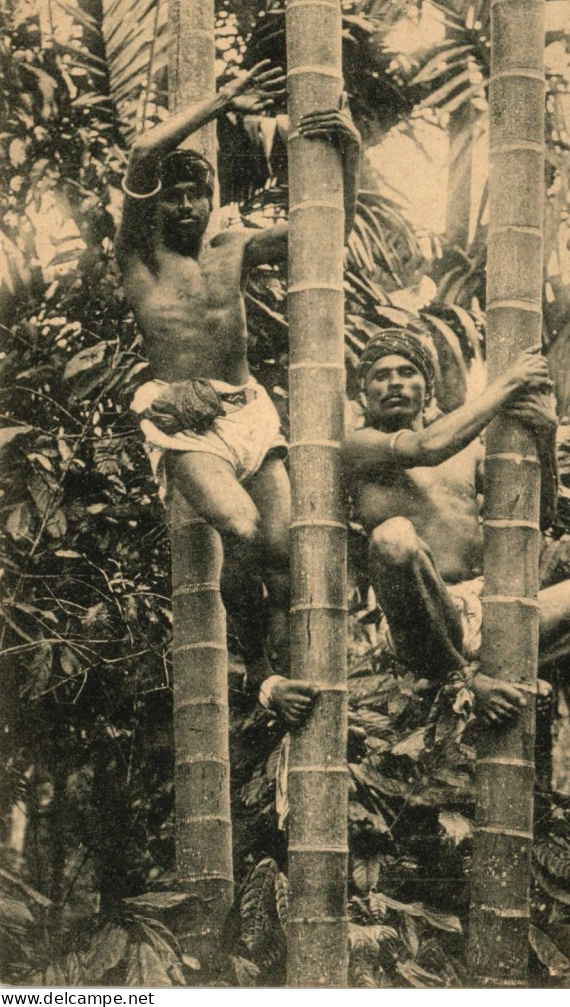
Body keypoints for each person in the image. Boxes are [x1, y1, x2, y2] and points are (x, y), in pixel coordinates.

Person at [115, 61, 360, 727]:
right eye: (173, 196)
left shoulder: (236, 247)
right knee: (241, 527)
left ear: (211, 196)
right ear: (156, 205)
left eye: (197, 193)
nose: (186, 206)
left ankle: (276, 678)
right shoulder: (137, 259)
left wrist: (350, 146)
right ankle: (259, 676)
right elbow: (142, 152)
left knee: (282, 552)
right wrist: (222, 100)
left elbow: (325, 236)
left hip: (247, 408)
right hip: (184, 423)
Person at [342, 328, 570, 725]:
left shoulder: (469, 455)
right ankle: (463, 680)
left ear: (427, 390)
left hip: (492, 610)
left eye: (407, 372)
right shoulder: (359, 445)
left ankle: (512, 671)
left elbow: (536, 519)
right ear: (364, 394)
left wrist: (546, 436)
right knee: (393, 538)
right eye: (381, 375)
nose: (394, 383)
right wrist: (510, 382)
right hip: (426, 621)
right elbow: (426, 447)